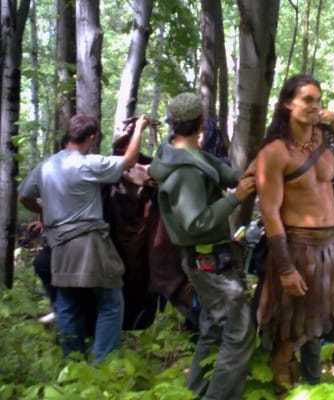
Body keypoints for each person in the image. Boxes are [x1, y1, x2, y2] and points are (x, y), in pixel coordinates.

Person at [255, 74, 334, 399]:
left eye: (318, 100)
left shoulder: (324, 141)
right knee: (288, 336)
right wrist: (286, 269)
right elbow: (270, 213)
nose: (314, 106)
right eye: (307, 100)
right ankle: (285, 394)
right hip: (298, 249)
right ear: (287, 103)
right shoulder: (275, 152)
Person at [149, 92, 256, 400]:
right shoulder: (185, 171)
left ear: (173, 123)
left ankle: (194, 392)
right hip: (208, 263)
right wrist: (235, 199)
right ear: (202, 121)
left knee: (213, 329)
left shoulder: (183, 154)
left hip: (206, 261)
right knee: (239, 332)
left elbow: (222, 172)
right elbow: (195, 222)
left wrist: (248, 175)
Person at [18, 114, 149, 364]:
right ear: (91, 137)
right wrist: (139, 129)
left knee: (67, 303)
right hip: (88, 242)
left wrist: (44, 210)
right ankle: (101, 363)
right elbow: (130, 160)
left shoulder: (46, 166)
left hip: (59, 243)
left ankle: (73, 362)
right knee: (110, 301)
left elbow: (23, 196)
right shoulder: (88, 164)